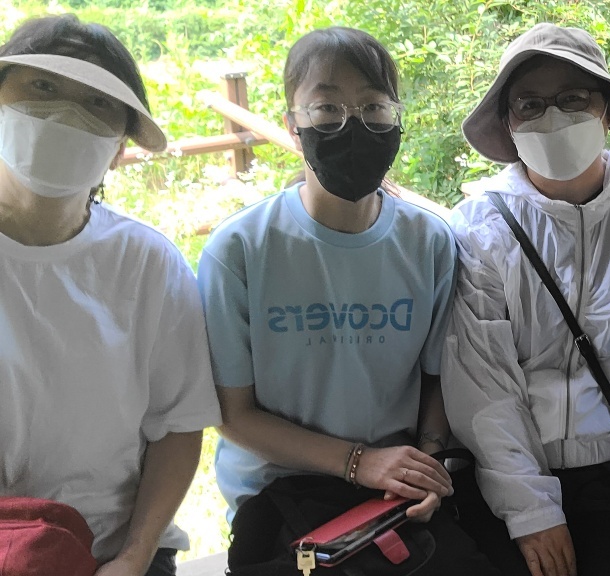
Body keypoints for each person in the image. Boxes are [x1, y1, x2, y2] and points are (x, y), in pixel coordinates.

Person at [198, 27, 490, 572]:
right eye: (327, 107)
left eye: (373, 106)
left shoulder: (429, 242)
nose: (352, 124)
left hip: (392, 493)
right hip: (281, 496)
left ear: (396, 118)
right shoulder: (240, 250)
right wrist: (358, 462)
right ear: (292, 122)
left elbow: (435, 378)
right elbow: (234, 415)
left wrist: (426, 465)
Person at [442, 22, 610, 576]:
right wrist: (531, 511)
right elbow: (483, 387)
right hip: (519, 476)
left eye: (573, 98)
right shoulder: (480, 231)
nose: (552, 116)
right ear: (508, 124)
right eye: (530, 104)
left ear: (607, 110)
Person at [0, 14, 222, 576]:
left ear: (120, 145)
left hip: (116, 554)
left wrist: (133, 557)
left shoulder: (147, 263)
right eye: (43, 86)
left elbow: (178, 424)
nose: (66, 114)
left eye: (98, 102)